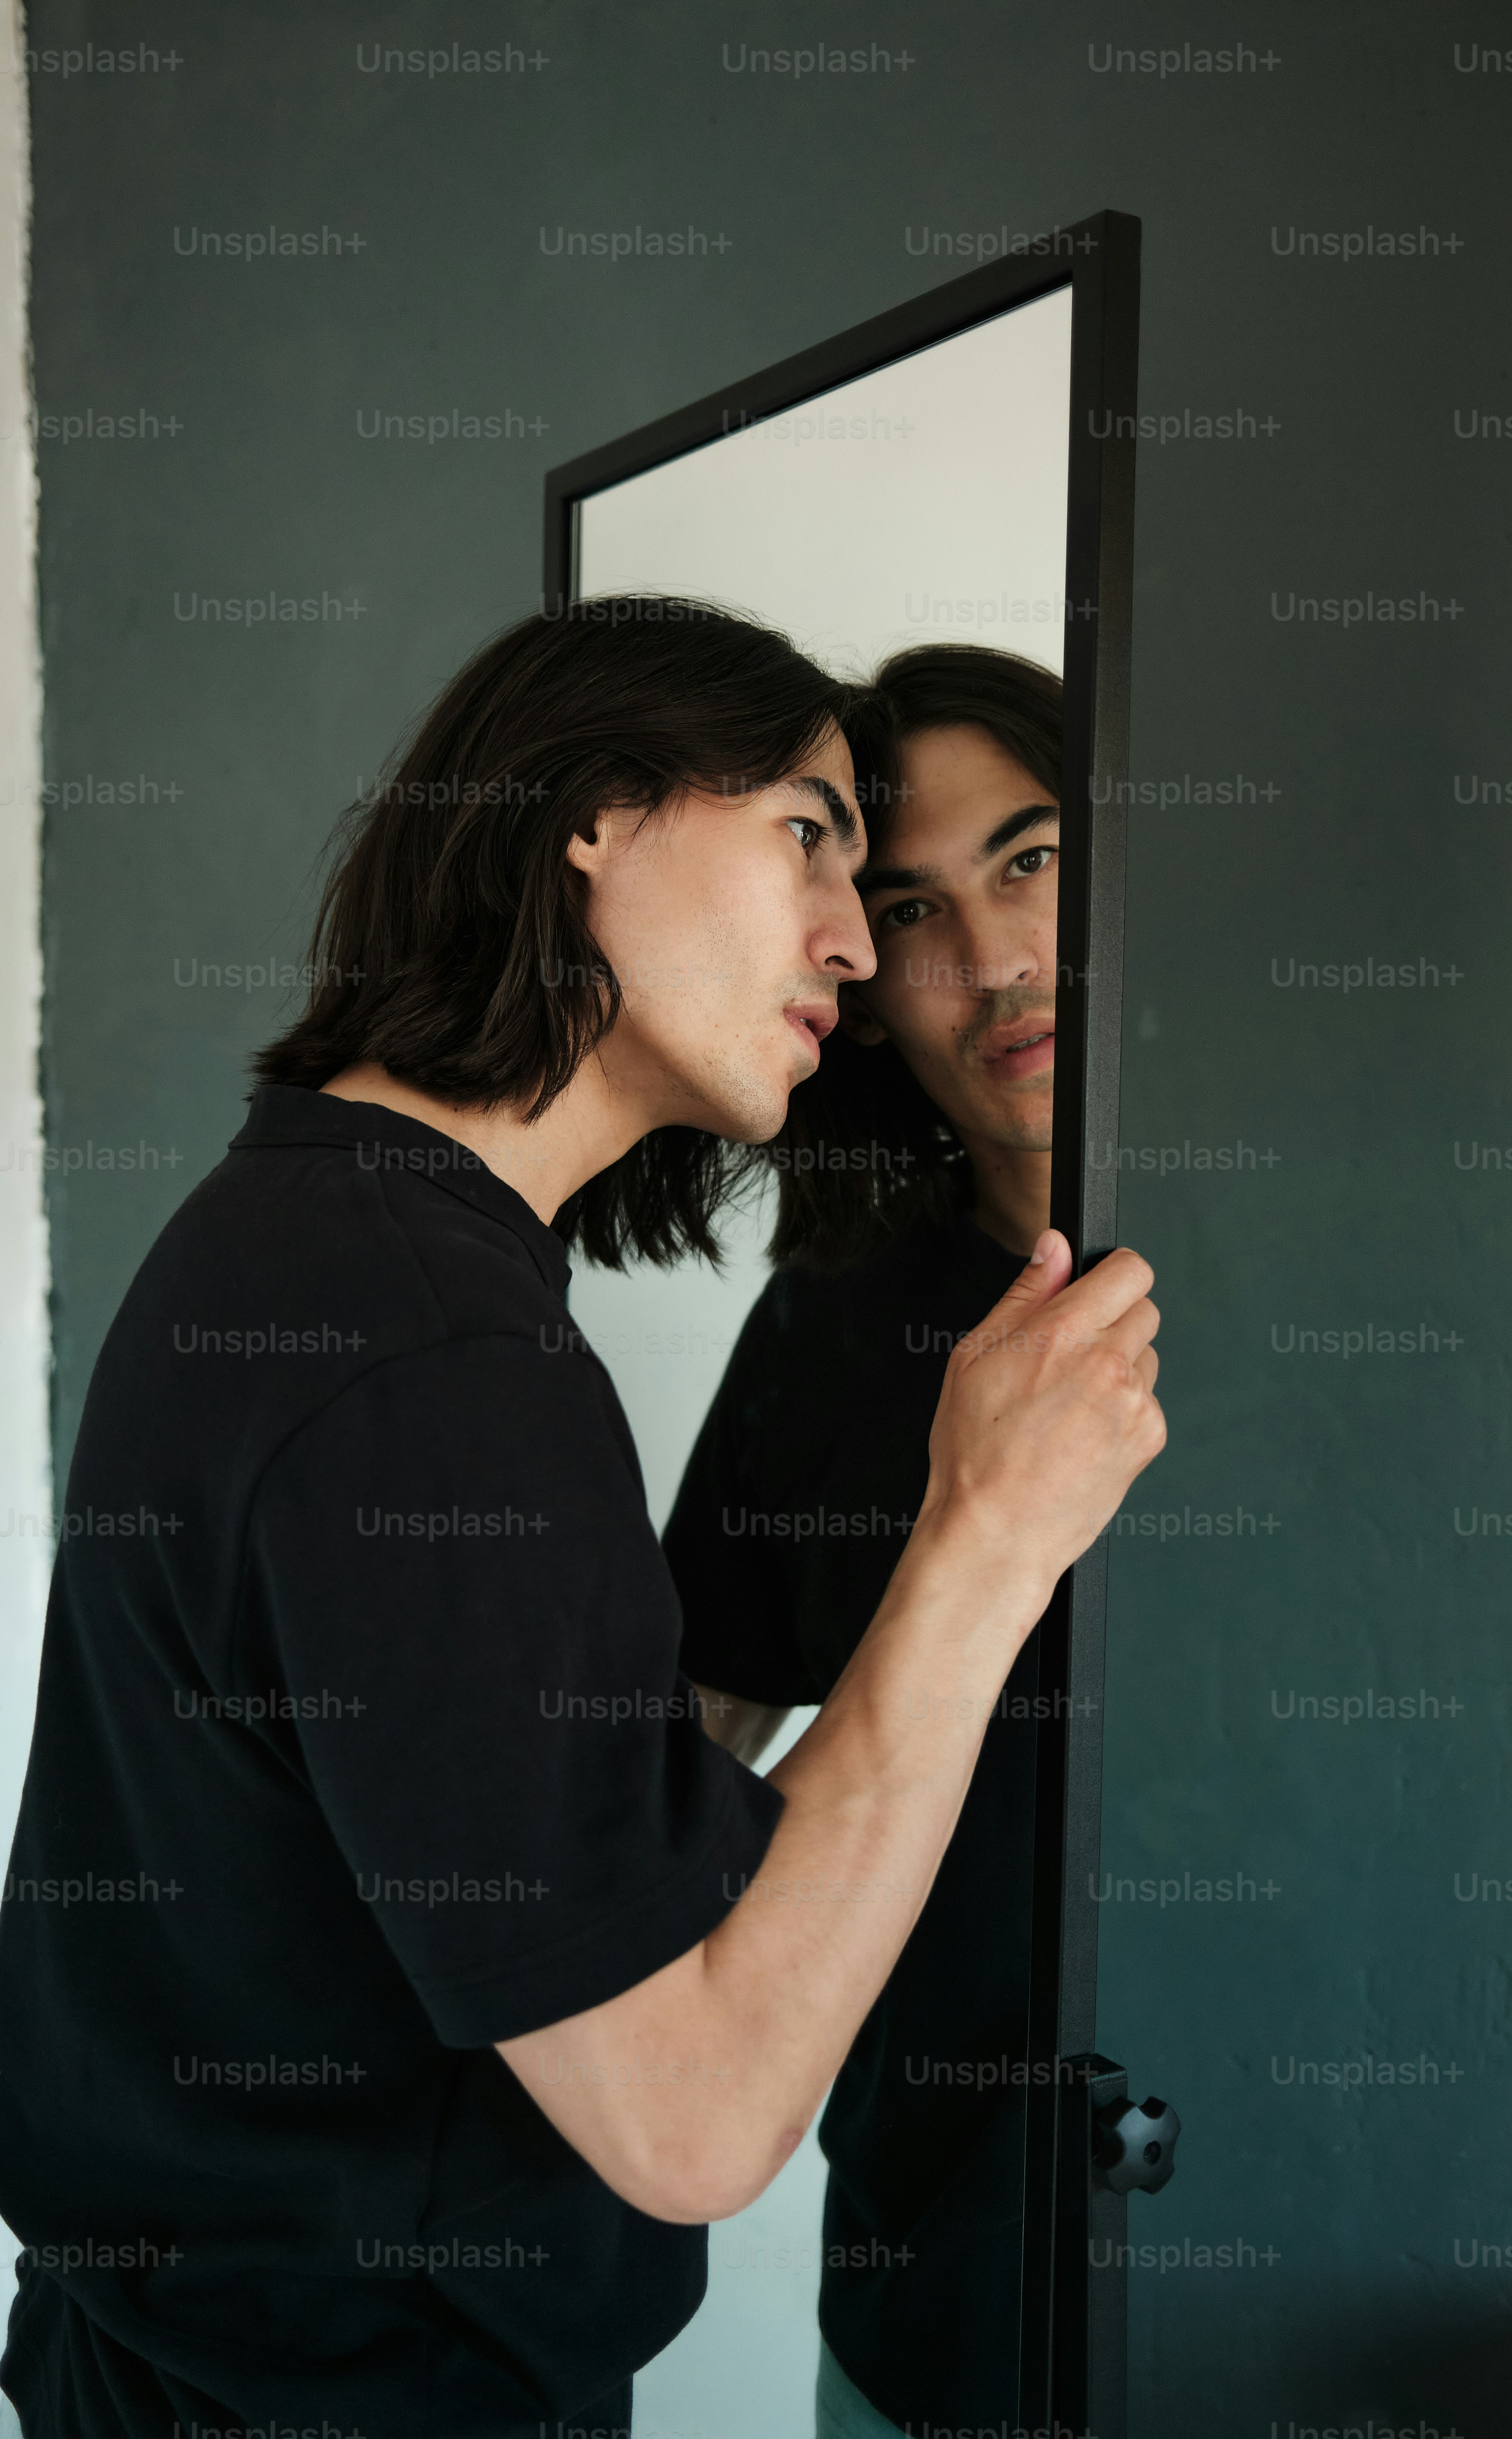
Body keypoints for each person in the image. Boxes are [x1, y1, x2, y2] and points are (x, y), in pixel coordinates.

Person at [0, 605, 1162, 2439]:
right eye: (811, 838)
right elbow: (693, 2116)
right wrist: (984, 1537)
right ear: (593, 817)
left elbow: (607, 1843)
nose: (855, 943)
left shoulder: (339, 1251)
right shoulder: (425, 1354)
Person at [666, 642, 1074, 2439]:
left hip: (1331, 2268)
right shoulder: (835, 1323)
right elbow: (674, 1765)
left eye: (1031, 860)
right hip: (932, 2309)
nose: (990, 963)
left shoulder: (1372, 1283)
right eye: (910, 908)